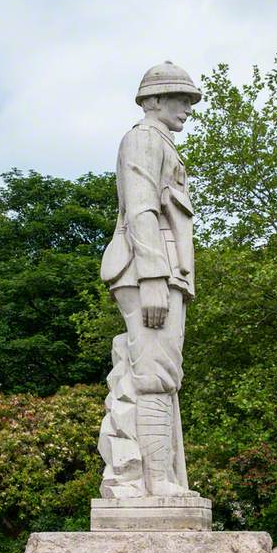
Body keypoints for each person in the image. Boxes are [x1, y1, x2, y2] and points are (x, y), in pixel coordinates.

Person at [97, 62, 202, 498]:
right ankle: (156, 482)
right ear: (153, 100)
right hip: (148, 269)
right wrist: (155, 275)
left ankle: (164, 477)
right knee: (156, 375)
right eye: (180, 99)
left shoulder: (161, 143)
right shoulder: (141, 139)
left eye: (190, 101)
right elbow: (141, 207)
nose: (187, 110)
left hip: (162, 270)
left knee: (165, 375)